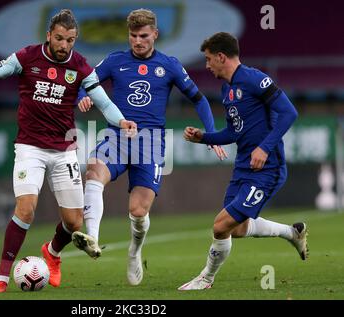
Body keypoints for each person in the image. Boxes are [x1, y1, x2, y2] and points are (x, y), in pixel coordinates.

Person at [0, 9, 137, 293]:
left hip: (64, 151)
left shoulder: (80, 67)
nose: (64, 45)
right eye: (59, 38)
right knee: (26, 210)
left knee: (74, 222)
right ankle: (2, 279)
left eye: (69, 40)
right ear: (48, 35)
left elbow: (104, 103)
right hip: (30, 148)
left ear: (75, 39)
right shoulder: (26, 57)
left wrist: (122, 121)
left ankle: (52, 254)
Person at [71, 9, 227, 286]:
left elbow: (199, 99)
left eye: (143, 36)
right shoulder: (115, 60)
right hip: (117, 136)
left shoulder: (169, 65)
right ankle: (92, 237)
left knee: (139, 211)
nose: (138, 41)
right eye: (133, 36)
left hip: (150, 143)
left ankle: (134, 250)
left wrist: (211, 135)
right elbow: (86, 82)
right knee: (94, 173)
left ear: (155, 34)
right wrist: (83, 96)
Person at [178, 32, 308, 290]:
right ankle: (292, 233)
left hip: (267, 169)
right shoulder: (227, 89)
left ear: (221, 56)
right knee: (234, 229)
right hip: (243, 168)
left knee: (220, 226)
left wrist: (264, 147)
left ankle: (206, 278)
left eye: (208, 59)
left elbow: (288, 113)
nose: (206, 65)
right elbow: (234, 132)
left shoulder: (254, 79)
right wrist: (204, 137)